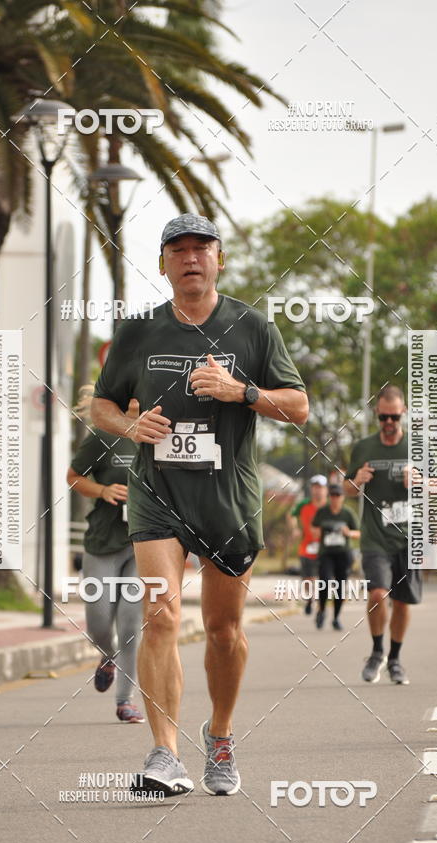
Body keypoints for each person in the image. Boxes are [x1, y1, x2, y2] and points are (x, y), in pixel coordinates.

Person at [90, 213, 308, 797]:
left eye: (201, 248)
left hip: (228, 500)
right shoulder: (138, 331)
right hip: (157, 494)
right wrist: (131, 426)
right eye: (178, 249)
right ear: (163, 263)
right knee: (160, 613)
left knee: (223, 631)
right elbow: (101, 406)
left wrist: (243, 392)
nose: (190, 258)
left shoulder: (253, 327)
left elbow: (299, 406)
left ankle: (220, 734)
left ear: (220, 259)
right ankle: (164, 752)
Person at [67, 387, 145, 723]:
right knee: (99, 621)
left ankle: (124, 700)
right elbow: (73, 477)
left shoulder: (159, 434)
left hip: (144, 543)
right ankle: (106, 655)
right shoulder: (102, 437)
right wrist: (103, 490)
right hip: (102, 541)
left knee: (130, 623)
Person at [343, 385, 422, 686]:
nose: (388, 423)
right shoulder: (364, 447)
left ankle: (396, 659)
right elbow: (347, 487)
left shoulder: (416, 447)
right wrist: (357, 482)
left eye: (394, 417)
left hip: (407, 538)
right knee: (378, 593)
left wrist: (418, 481)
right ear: (377, 413)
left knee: (402, 603)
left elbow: (435, 488)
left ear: (402, 413)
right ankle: (377, 651)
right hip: (375, 535)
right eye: (383, 417)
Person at [311, 483, 360, 630]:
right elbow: (313, 528)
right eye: (332, 495)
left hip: (343, 554)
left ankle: (336, 617)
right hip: (326, 554)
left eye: (338, 496)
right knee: (325, 582)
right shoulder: (322, 512)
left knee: (340, 587)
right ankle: (321, 610)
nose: (335, 498)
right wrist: (317, 532)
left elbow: (358, 533)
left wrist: (348, 533)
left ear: (342, 498)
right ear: (329, 497)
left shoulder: (348, 513)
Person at [289, 475, 328, 614]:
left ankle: (321, 607)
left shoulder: (330, 506)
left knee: (325, 577)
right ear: (311, 489)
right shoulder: (304, 504)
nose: (317, 491)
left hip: (327, 548)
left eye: (320, 487)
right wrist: (295, 529)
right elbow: (292, 514)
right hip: (307, 546)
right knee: (308, 578)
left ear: (326, 490)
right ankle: (310, 599)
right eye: (315, 487)